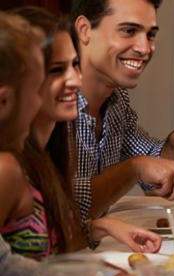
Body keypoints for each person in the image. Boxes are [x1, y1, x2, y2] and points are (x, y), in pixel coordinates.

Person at [0, 6, 162, 258]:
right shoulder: (7, 167)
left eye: (74, 64)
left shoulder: (45, 153)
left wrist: (98, 227)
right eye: (55, 70)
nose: (75, 79)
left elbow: (45, 245)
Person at [70, 0, 174, 222]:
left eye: (150, 35)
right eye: (128, 31)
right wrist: (134, 169)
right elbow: (58, 210)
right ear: (85, 30)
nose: (144, 48)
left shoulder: (117, 100)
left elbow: (149, 167)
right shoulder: (47, 100)